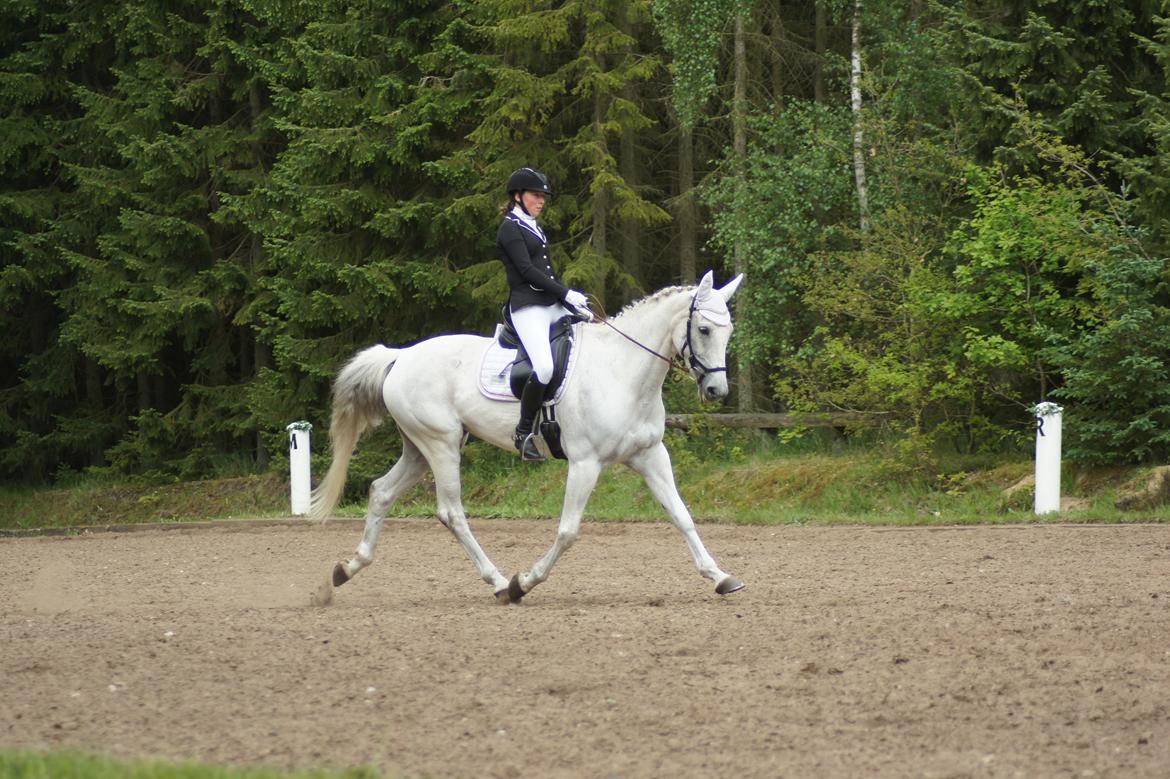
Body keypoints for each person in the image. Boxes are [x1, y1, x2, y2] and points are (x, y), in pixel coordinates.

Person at [497, 166, 592, 461]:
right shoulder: (510, 228)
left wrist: (568, 301)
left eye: (543, 197)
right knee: (545, 368)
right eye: (536, 196)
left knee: (589, 336)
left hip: (549, 304)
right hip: (527, 308)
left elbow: (545, 271)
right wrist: (564, 293)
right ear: (517, 196)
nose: (541, 201)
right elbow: (526, 271)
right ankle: (524, 433)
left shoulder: (534, 226)